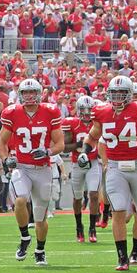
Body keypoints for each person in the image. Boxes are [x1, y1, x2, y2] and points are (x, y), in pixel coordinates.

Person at [84, 75, 137, 271]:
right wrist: (85, 152)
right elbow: (92, 136)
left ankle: (135, 251)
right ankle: (122, 257)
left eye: (122, 93)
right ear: (108, 94)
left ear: (130, 94)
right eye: (114, 93)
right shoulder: (102, 112)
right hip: (115, 167)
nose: (118, 97)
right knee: (118, 210)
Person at [0, 78, 64, 266]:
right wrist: (5, 159)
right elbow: (1, 143)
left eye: (32, 92)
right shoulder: (12, 113)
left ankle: (40, 250)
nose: (28, 96)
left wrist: (48, 151)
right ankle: (25, 237)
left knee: (41, 216)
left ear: (39, 93)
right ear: (20, 94)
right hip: (22, 166)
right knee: (20, 200)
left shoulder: (50, 111)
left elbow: (60, 143)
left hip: (43, 168)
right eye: (25, 93)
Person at [62, 96, 101, 243]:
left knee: (94, 194)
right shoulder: (71, 123)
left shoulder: (98, 123)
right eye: (83, 110)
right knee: (77, 198)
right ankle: (79, 226)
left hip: (93, 162)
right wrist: (78, 144)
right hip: (77, 164)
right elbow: (65, 146)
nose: (86, 113)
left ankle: (92, 228)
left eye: (89, 110)